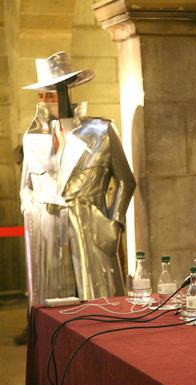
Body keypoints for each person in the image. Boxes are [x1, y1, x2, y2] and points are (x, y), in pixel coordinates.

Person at [20, 51, 136, 305]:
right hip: (48, 233)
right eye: (45, 93)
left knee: (99, 304)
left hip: (90, 227)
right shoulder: (33, 139)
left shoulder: (100, 131)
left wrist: (113, 225)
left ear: (69, 89)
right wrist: (33, 216)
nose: (50, 98)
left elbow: (126, 181)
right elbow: (26, 188)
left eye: (56, 91)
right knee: (52, 308)